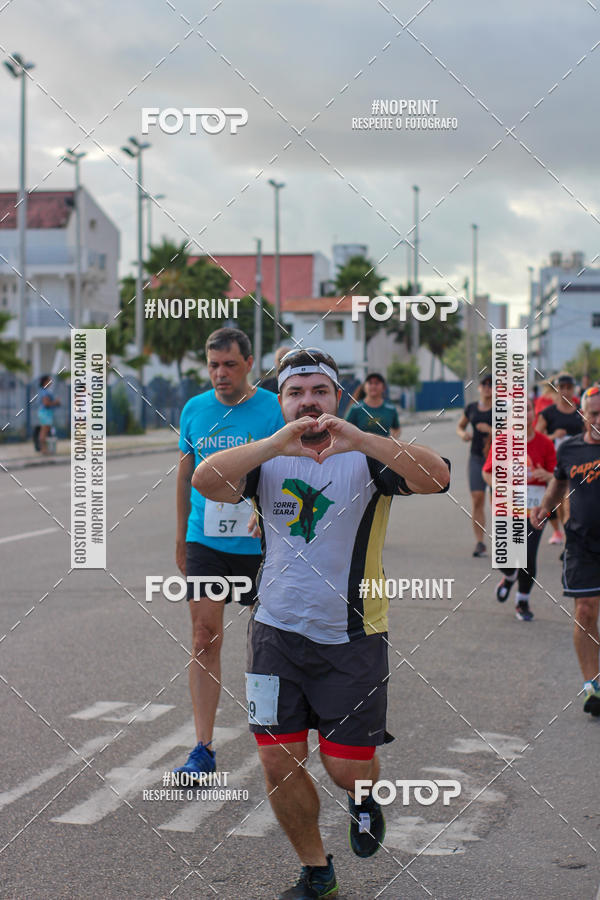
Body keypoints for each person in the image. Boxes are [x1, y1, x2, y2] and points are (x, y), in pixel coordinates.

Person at [192, 347, 451, 899]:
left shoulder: (367, 458)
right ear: (281, 402)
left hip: (352, 638)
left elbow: (438, 477)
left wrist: (362, 437)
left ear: (338, 398)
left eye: (319, 393)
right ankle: (317, 870)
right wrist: (271, 443)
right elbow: (206, 481)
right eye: (295, 394)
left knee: (343, 767)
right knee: (274, 759)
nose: (308, 405)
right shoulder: (266, 457)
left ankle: (362, 798)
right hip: (274, 635)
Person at [174, 327, 285, 778]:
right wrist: (181, 538)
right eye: (213, 364)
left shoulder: (273, 408)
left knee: (271, 644)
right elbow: (184, 477)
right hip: (206, 541)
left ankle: (277, 741)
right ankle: (203, 747)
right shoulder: (194, 410)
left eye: (230, 365)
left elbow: (288, 470)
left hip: (262, 543)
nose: (220, 374)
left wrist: (269, 511)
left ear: (249, 364)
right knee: (204, 639)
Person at [531, 386, 600, 716]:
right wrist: (545, 507)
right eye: (594, 413)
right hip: (582, 543)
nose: (598, 419)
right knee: (585, 611)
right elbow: (559, 481)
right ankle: (593, 686)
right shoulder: (570, 449)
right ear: (583, 415)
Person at [482, 398, 556, 621]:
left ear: (534, 414)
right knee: (505, 556)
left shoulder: (545, 444)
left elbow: (558, 477)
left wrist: (548, 476)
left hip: (535, 507)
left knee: (527, 555)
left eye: (528, 410)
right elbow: (487, 472)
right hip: (507, 506)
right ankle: (510, 576)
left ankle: (522, 601)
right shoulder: (502, 441)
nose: (523, 414)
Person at [536, 372, 584, 545]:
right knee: (562, 501)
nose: (565, 391)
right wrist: (553, 435)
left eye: (569, 388)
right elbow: (537, 437)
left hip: (579, 462)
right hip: (555, 463)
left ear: (574, 390)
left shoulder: (581, 412)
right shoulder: (548, 413)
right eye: (561, 387)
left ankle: (569, 537)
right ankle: (565, 534)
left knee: (569, 500)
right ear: (556, 390)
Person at [456, 374, 493, 557]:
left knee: (499, 503)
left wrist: (491, 430)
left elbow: (515, 432)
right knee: (477, 498)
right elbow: (460, 426)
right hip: (477, 458)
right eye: (484, 384)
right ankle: (480, 542)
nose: (488, 387)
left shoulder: (504, 409)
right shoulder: (471, 408)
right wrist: (463, 434)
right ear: (479, 388)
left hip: (499, 462)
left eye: (492, 384)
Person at [345, 372, 401, 439]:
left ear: (384, 387)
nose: (373, 386)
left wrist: (393, 438)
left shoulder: (391, 409)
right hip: (361, 449)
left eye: (376, 383)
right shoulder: (355, 408)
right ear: (364, 387)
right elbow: (346, 430)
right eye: (370, 383)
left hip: (383, 448)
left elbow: (397, 429)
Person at [37, 375, 60, 455]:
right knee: (44, 431)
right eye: (49, 380)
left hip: (45, 412)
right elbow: (46, 403)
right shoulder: (45, 392)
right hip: (45, 413)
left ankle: (44, 449)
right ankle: (44, 450)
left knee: (44, 431)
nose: (51, 382)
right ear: (45, 382)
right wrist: (56, 403)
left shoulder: (44, 391)